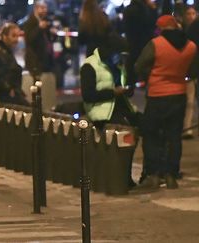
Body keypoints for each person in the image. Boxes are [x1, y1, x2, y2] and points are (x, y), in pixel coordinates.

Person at [135, 15, 197, 190]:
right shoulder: (191, 46)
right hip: (179, 94)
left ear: (161, 28)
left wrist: (150, 75)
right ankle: (171, 175)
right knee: (174, 136)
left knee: (151, 134)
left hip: (157, 95)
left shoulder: (156, 44)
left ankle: (154, 174)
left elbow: (139, 66)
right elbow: (193, 70)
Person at [80, 34, 137, 188]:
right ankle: (118, 178)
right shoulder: (90, 65)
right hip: (100, 111)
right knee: (124, 135)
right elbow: (88, 96)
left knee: (142, 126)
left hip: (119, 106)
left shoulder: (118, 64)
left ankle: (127, 175)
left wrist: (128, 89)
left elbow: (124, 84)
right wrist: (113, 92)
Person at [122, 0, 157, 85]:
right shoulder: (146, 9)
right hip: (145, 40)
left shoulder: (128, 9)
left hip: (132, 40)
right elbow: (152, 24)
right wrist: (153, 9)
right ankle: (145, 80)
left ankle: (129, 82)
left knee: (131, 61)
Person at [0, 22, 29, 106]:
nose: (16, 39)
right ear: (4, 36)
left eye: (18, 36)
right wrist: (9, 89)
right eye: (13, 36)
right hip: (5, 96)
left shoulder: (8, 52)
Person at [22, 0, 53, 78]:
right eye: (42, 8)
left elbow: (49, 39)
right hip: (34, 60)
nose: (45, 10)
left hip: (46, 60)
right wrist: (39, 28)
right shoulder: (29, 22)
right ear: (36, 9)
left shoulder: (46, 20)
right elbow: (29, 39)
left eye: (45, 8)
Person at [182, 5, 197, 139]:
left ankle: (188, 128)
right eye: (189, 13)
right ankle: (187, 128)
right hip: (190, 71)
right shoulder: (184, 31)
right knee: (189, 101)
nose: (191, 16)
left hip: (193, 70)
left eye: (193, 13)